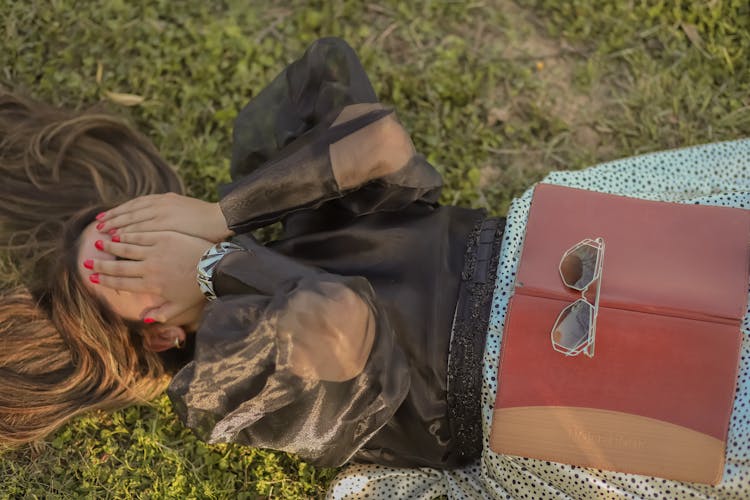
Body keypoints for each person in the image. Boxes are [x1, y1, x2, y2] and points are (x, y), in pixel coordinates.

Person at [1, 38, 748, 498]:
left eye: (135, 228)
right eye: (135, 265)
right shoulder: (230, 377)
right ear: (159, 336)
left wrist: (227, 214)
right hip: (537, 390)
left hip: (553, 246)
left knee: (721, 252)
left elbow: (381, 143)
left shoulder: (274, 217)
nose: (158, 240)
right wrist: (214, 268)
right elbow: (336, 319)